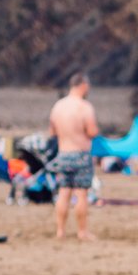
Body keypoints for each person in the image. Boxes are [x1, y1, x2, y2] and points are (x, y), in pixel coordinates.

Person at [47, 73, 99, 240]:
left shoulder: (58, 106)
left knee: (63, 193)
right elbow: (91, 132)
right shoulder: (84, 107)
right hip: (81, 154)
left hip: (63, 154)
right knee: (81, 194)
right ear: (82, 85)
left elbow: (52, 132)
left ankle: (60, 231)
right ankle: (82, 232)